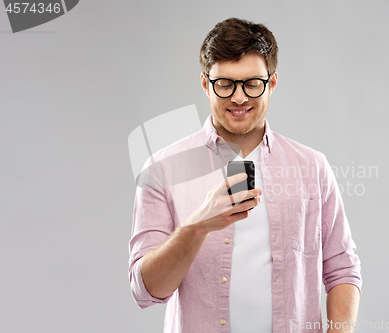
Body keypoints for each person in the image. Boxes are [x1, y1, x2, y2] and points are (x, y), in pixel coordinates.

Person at [129, 17, 362, 333]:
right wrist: (196, 226)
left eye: (252, 83)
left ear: (272, 82)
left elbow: (342, 271)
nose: (239, 98)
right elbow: (146, 290)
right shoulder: (163, 169)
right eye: (225, 84)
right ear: (204, 83)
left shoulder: (312, 167)